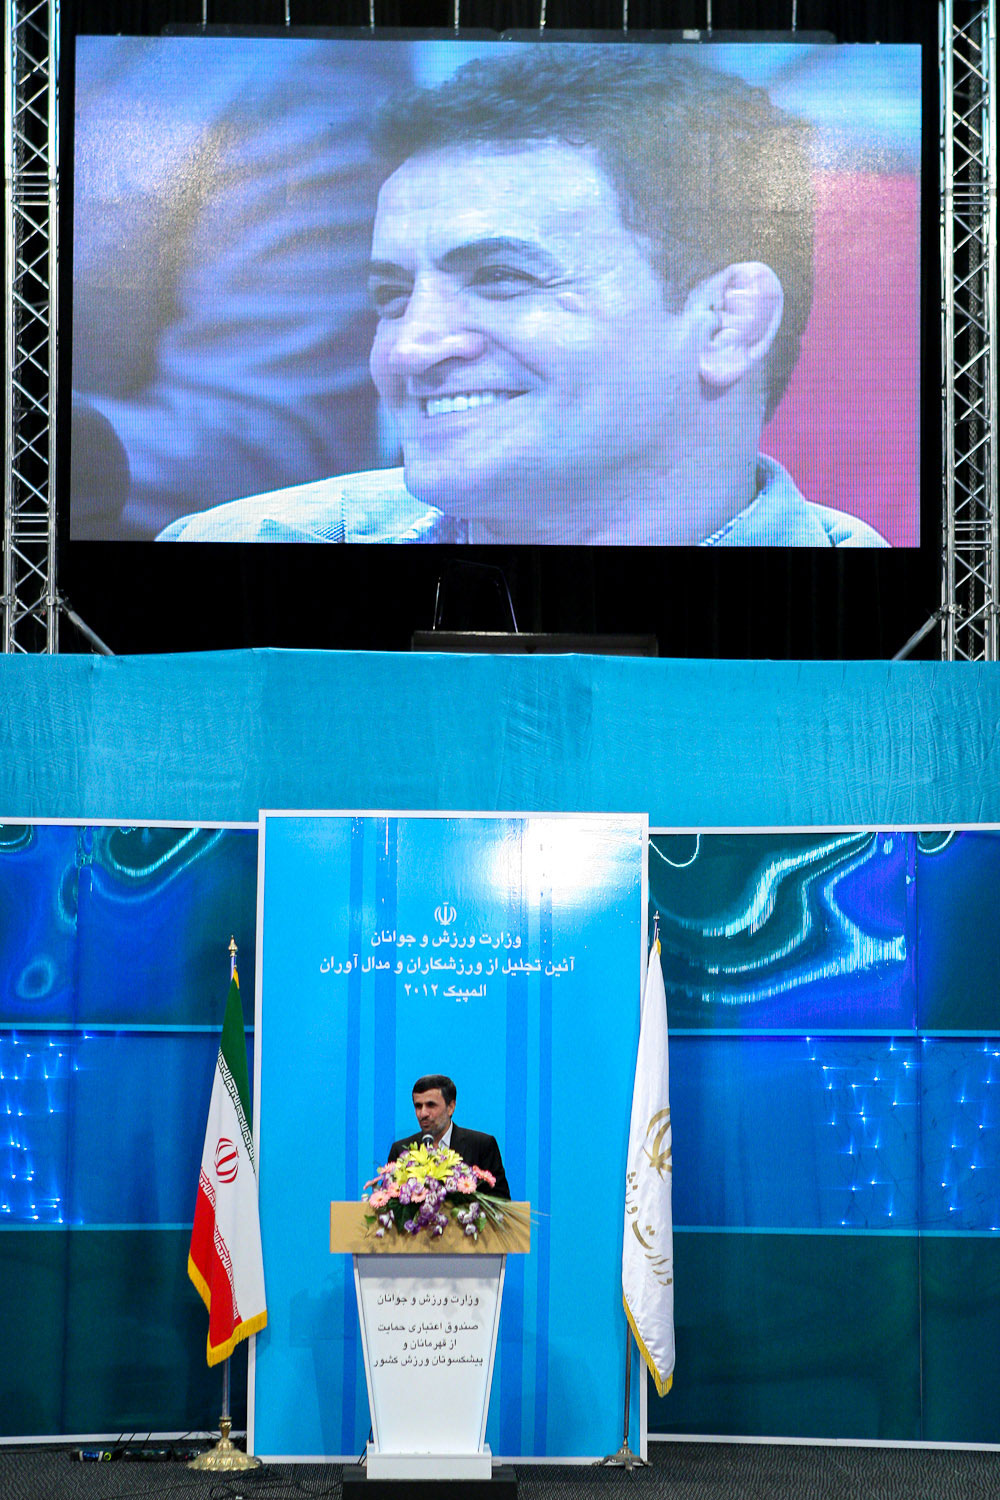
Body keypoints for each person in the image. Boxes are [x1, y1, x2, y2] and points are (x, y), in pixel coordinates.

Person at [158, 45, 888, 547]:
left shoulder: (890, 647)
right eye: (392, 295)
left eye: (501, 279)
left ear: (728, 324)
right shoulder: (231, 560)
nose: (410, 349)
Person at [388, 1074, 510, 1200]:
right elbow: (388, 1201)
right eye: (418, 1106)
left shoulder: (481, 1146)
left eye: (431, 1105)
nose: (423, 1114)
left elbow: (501, 1201)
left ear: (451, 1107)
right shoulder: (401, 1150)